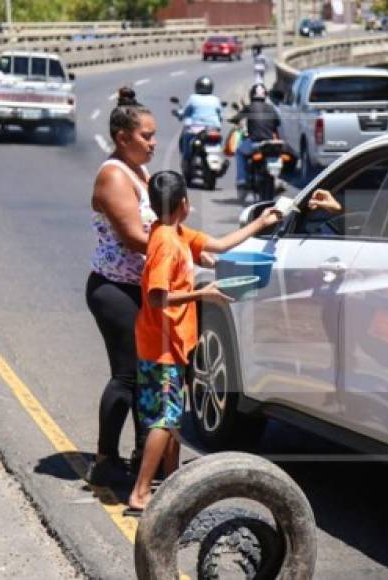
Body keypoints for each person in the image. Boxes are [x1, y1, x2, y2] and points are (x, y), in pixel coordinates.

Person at [125, 171, 282, 514]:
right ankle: (140, 493)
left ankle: (171, 484)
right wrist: (204, 292)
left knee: (173, 419)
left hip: (171, 344)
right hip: (161, 346)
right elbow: (156, 297)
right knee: (165, 420)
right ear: (184, 204)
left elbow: (221, 246)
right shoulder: (166, 242)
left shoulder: (175, 233)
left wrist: (263, 222)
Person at [85, 87, 215, 486]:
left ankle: (148, 457)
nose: (154, 143)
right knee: (127, 375)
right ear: (123, 138)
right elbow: (135, 237)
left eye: (155, 135)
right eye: (147, 136)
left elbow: (163, 225)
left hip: (143, 286)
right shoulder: (113, 176)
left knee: (147, 376)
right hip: (115, 289)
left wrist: (198, 244)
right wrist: (183, 252)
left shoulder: (139, 171)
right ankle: (106, 460)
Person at [234, 84, 281, 193]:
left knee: (239, 151)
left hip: (254, 143)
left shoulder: (249, 107)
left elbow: (236, 118)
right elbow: (278, 123)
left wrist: (233, 120)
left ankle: (242, 180)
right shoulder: (271, 108)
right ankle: (277, 180)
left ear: (252, 95)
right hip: (269, 143)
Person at [177, 76, 223, 159]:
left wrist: (179, 114)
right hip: (213, 129)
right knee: (218, 142)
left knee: (186, 139)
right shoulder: (215, 99)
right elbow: (220, 115)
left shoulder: (193, 98)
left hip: (195, 129)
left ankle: (186, 158)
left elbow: (184, 112)